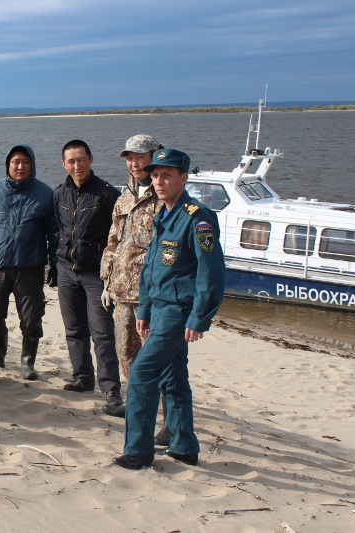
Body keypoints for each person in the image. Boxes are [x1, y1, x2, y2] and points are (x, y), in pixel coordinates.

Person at [112, 148, 225, 469]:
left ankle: (138, 450)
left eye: (166, 175)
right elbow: (151, 268)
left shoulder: (198, 217)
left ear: (183, 178)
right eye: (156, 175)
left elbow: (212, 272)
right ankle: (184, 445)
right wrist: (144, 309)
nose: (159, 182)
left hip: (180, 311)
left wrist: (200, 316)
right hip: (158, 309)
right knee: (173, 378)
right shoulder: (164, 215)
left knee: (143, 373)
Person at [100, 135, 171, 438]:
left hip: (152, 297)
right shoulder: (124, 197)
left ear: (156, 155)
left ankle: (170, 422)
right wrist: (107, 281)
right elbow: (113, 242)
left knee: (159, 359)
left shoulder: (167, 198)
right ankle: (138, 407)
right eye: (130, 157)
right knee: (126, 353)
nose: (135, 163)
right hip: (121, 292)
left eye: (140, 156)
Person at [0, 145, 58, 380]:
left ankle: (28, 362)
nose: (20, 166)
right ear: (8, 165)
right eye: (16, 161)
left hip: (30, 267)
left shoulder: (45, 194)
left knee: (31, 317)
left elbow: (55, 233)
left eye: (25, 162)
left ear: (33, 165)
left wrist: (55, 265)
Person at [52, 140, 123, 411]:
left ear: (91, 159)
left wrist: (111, 275)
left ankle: (111, 389)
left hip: (96, 274)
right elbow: (59, 230)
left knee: (102, 332)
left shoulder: (107, 194)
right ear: (64, 164)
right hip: (66, 270)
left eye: (81, 159)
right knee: (74, 329)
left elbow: (116, 237)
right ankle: (82, 377)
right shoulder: (59, 194)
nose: (76, 165)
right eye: (71, 161)